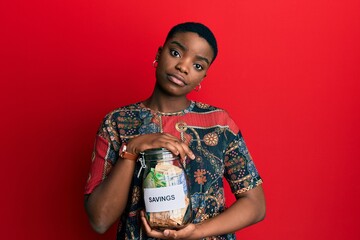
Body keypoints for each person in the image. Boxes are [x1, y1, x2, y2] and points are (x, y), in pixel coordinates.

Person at [84, 22, 265, 240]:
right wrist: (131, 149)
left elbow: (255, 205)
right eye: (176, 52)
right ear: (159, 54)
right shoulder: (117, 122)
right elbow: (100, 220)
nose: (183, 66)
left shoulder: (219, 124)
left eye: (198, 66)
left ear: (203, 77)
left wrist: (196, 232)